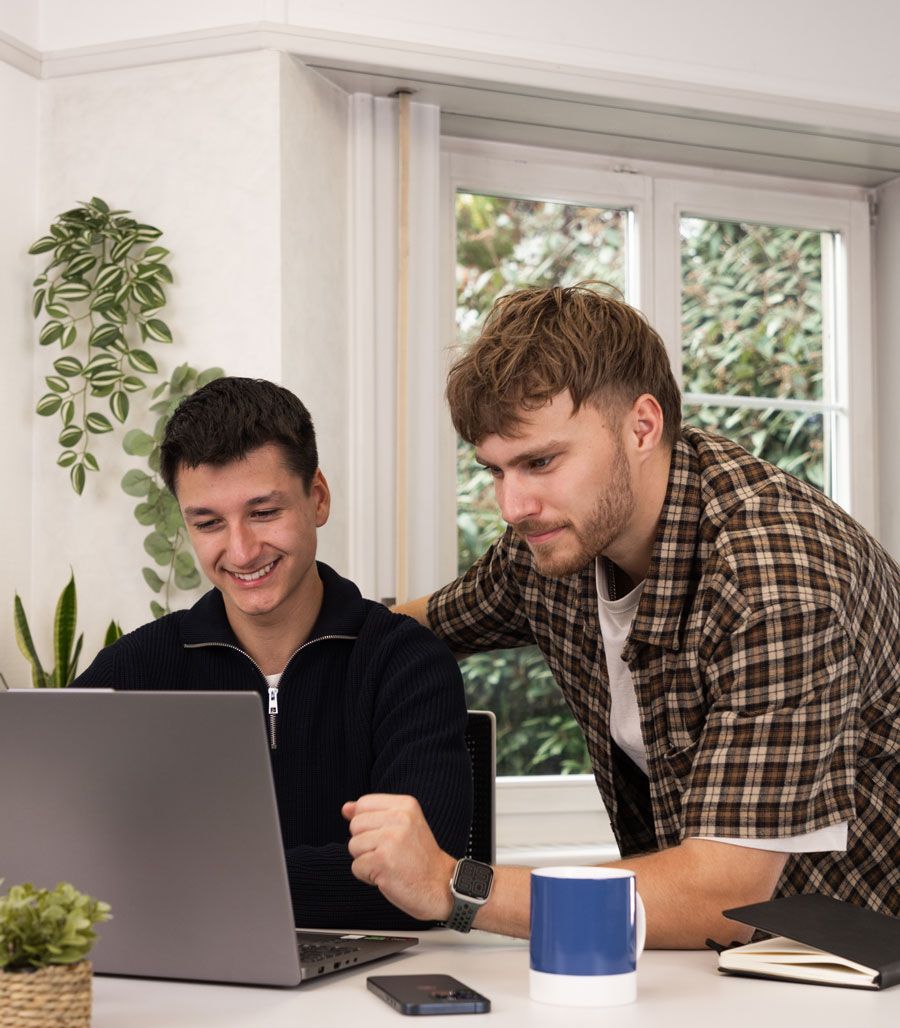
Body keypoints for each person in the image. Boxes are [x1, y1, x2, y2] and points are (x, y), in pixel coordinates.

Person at [343, 284, 900, 947]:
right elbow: (416, 625)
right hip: (720, 969)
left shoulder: (775, 578)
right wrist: (279, 617)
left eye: (541, 461)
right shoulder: (556, 547)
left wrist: (454, 886)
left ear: (642, 425)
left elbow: (723, 895)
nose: (513, 505)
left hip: (861, 965)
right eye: (495, 471)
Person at [73, 376, 472, 929]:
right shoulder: (133, 669)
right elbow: (62, 851)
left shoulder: (410, 666)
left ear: (318, 498)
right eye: (208, 522)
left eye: (263, 512)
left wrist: (177, 878)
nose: (240, 550)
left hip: (361, 991)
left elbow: (418, 886)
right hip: (183, 980)